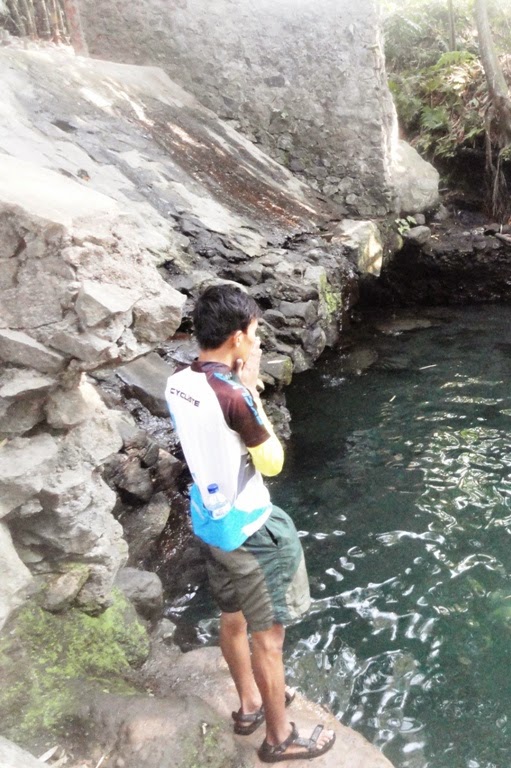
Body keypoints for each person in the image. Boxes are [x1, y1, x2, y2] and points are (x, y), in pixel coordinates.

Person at [165, 283, 335, 763]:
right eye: (255, 334)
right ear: (238, 337)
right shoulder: (233, 394)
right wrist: (252, 387)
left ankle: (249, 705)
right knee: (269, 635)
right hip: (248, 527)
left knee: (232, 618)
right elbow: (274, 462)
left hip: (210, 520)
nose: (257, 342)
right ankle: (279, 739)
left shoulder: (178, 381)